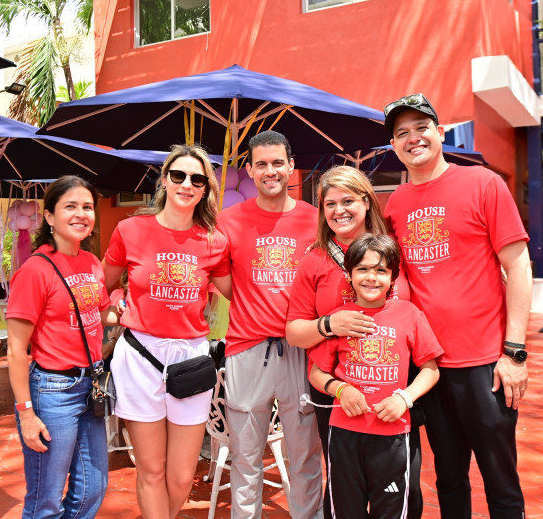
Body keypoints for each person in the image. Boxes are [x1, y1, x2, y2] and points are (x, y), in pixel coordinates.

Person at [383, 93, 532, 518]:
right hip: (430, 369)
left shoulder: (483, 183)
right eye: (402, 133)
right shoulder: (395, 204)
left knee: (501, 482)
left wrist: (514, 352)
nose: (413, 138)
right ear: (394, 145)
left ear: (440, 132)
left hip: (487, 364)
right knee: (448, 479)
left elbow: (518, 265)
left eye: (421, 127)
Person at [103, 144, 231, 519]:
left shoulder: (213, 241)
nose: (186, 184)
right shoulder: (130, 229)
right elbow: (100, 284)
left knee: (180, 475)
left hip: (190, 360)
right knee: (152, 470)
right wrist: (113, 304)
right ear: (164, 180)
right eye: (178, 175)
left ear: (205, 189)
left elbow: (239, 295)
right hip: (139, 354)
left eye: (196, 178)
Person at [285, 165, 421, 518]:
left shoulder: (392, 248)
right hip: (336, 392)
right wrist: (330, 324)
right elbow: (294, 331)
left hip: (394, 392)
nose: (338, 210)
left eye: (348, 200)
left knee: (401, 491)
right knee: (346, 491)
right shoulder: (314, 259)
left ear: (366, 202)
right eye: (329, 203)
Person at [218, 130, 323, 519]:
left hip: (302, 350)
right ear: (249, 170)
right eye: (261, 164)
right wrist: (253, 304)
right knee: (246, 459)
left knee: (305, 456)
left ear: (291, 166)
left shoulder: (315, 219)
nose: (270, 171)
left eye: (278, 162)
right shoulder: (229, 221)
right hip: (247, 349)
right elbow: (223, 280)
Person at [308, 234, 442, 518]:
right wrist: (341, 390)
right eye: (363, 269)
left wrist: (404, 398)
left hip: (393, 435)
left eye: (381, 270)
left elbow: (430, 371)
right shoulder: (341, 318)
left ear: (393, 276)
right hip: (344, 434)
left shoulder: (410, 315)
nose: (372, 278)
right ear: (349, 274)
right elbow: (316, 372)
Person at [6, 175, 116, 518]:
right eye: (70, 206)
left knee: (92, 489)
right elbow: (15, 349)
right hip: (52, 391)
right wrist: (26, 413)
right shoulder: (35, 271)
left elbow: (98, 315)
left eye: (87, 207)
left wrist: (125, 306)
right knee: (46, 499)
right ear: (50, 216)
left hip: (90, 386)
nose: (81, 214)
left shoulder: (92, 263)